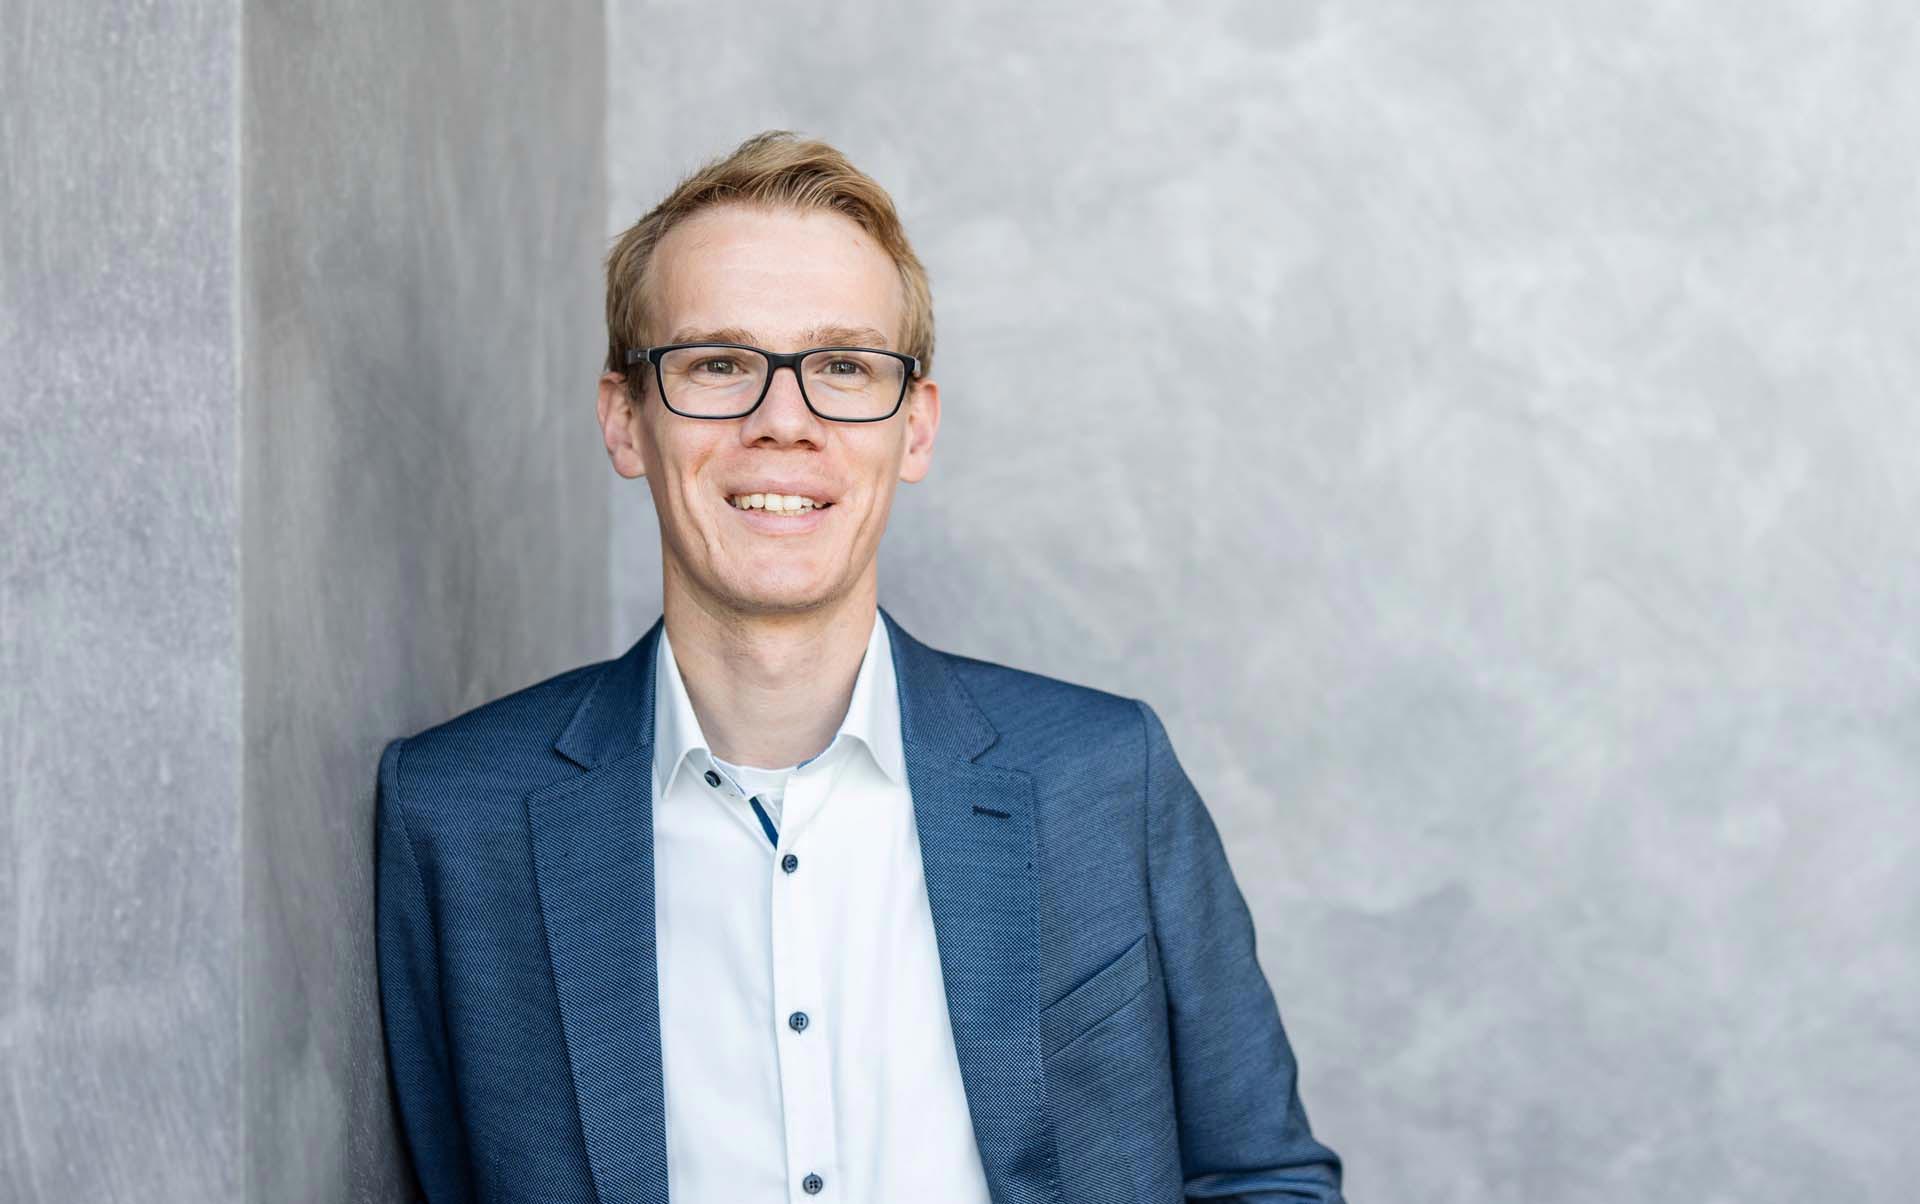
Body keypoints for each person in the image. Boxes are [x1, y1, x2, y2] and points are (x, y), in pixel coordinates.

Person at [374, 129, 1345, 1204]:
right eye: (717, 363)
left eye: (843, 366)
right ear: (625, 420)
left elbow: (1264, 1178)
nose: (782, 421)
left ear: (914, 429)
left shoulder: (1106, 778)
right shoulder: (455, 817)